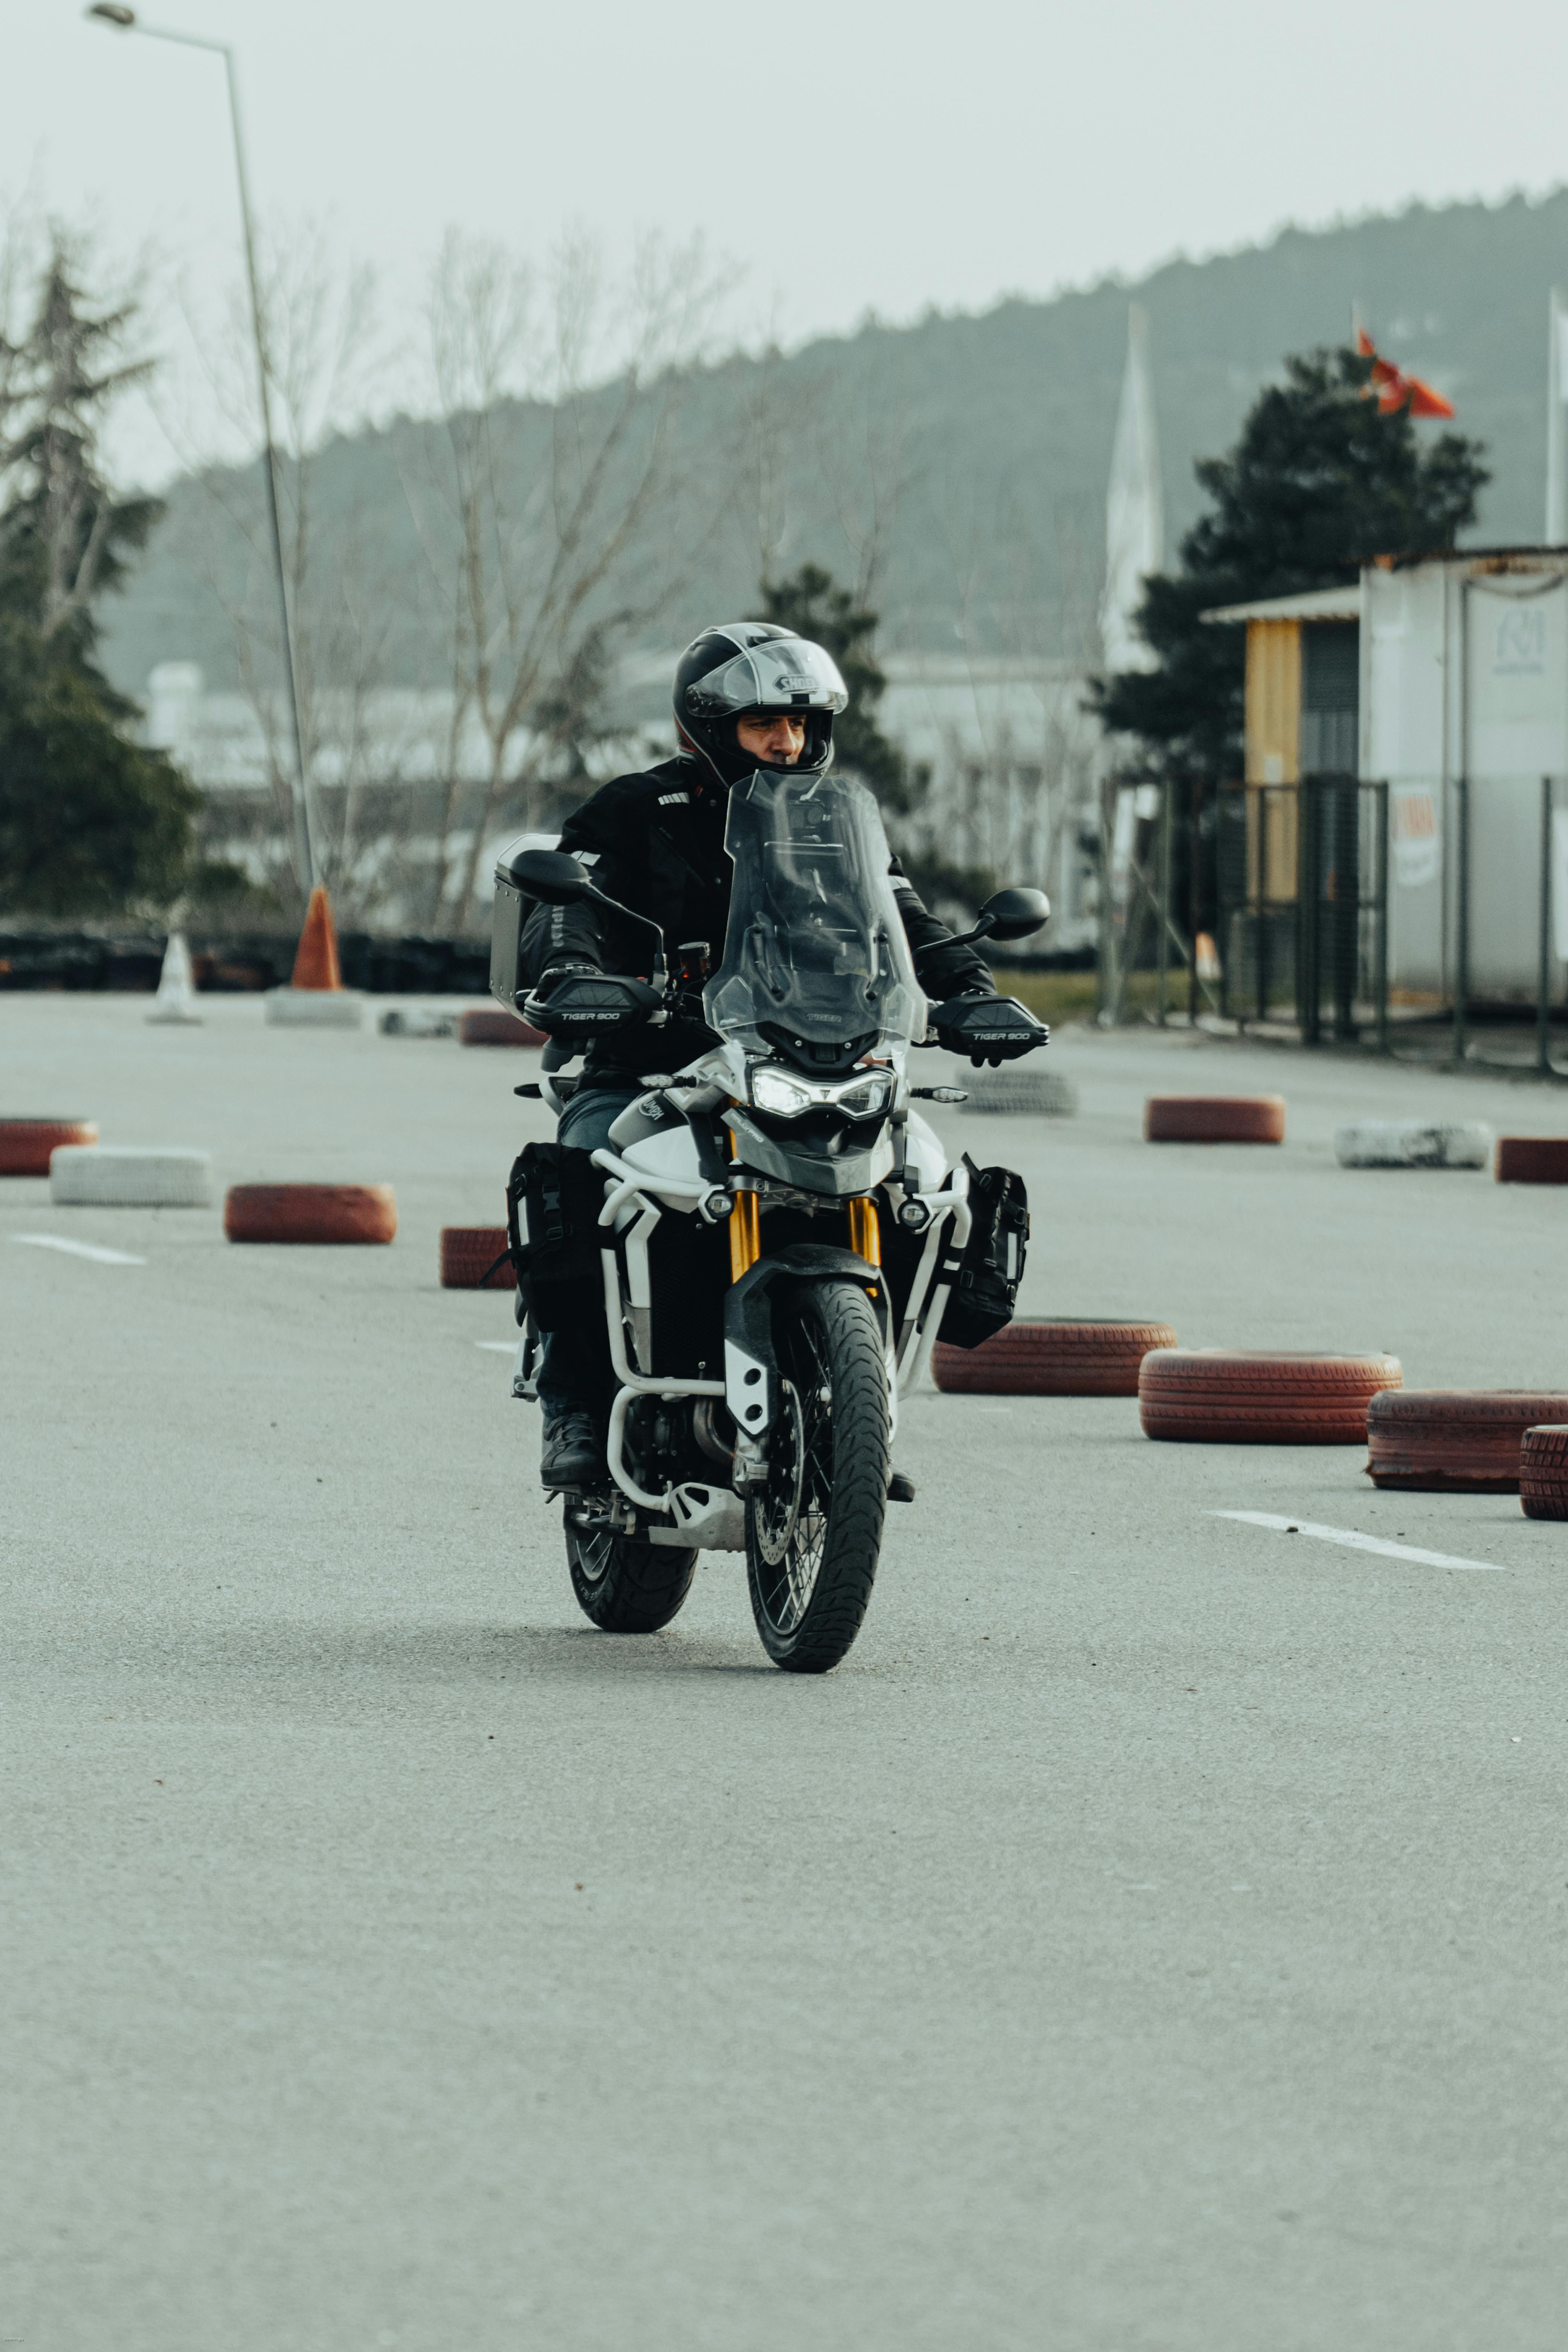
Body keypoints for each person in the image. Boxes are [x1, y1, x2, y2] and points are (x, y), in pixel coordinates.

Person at [520, 619, 1030, 1486]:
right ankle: (574, 1399)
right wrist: (573, 971)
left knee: (927, 1181)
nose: (788, 743)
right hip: (656, 1058)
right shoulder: (634, 811)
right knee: (585, 1163)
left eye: (800, 726)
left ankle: (857, 1416)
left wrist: (973, 992)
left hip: (819, 1055)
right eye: (766, 726)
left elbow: (907, 920)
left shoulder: (839, 827)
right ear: (711, 729)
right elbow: (567, 906)